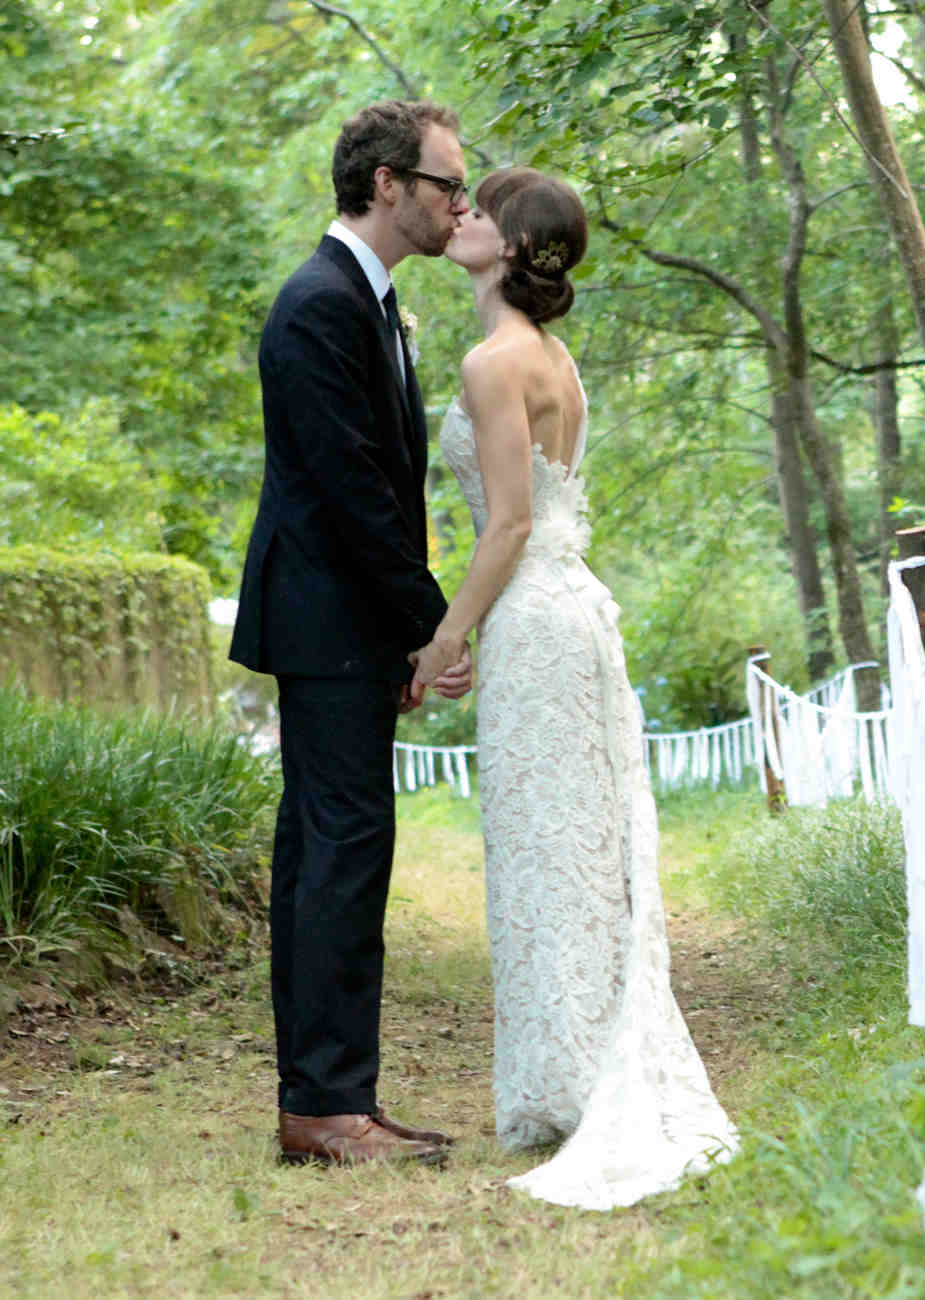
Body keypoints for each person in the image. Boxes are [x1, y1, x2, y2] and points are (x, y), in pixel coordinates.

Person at [409, 167, 739, 1208]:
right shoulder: (553, 356)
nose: (458, 217)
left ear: (510, 244)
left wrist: (441, 638)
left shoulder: (491, 360)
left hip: (535, 620)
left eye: (477, 209)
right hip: (569, 610)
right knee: (563, 844)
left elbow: (507, 522)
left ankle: (573, 1080)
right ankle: (566, 1074)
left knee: (551, 844)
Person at [229, 100, 473, 1168]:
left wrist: (403, 637)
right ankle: (327, 1107)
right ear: (386, 182)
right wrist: (433, 627)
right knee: (341, 854)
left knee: (327, 852)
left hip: (345, 624)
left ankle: (325, 1099)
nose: (457, 202)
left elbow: (382, 489)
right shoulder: (318, 306)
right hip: (324, 617)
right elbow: (351, 493)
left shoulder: (369, 305)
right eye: (444, 184)